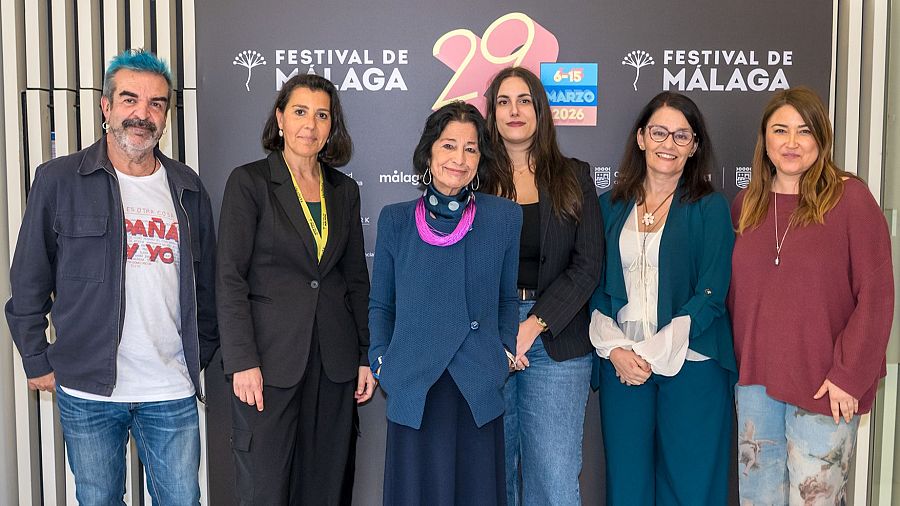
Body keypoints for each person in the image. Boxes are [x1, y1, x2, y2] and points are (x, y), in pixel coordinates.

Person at [5, 49, 218, 504]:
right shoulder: (59, 179)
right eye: (130, 99)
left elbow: (207, 285)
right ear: (106, 107)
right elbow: (28, 279)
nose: (143, 113)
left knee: (182, 499)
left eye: (156, 103)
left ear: (167, 115)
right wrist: (35, 357)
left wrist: (202, 349)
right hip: (88, 388)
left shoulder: (187, 187)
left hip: (171, 386)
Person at [729, 87, 893, 505]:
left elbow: (877, 292)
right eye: (780, 130)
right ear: (764, 139)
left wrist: (850, 374)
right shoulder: (745, 205)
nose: (791, 142)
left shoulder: (850, 198)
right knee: (758, 498)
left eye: (804, 131)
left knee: (814, 500)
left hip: (826, 386)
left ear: (821, 138)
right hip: (755, 386)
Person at [216, 74, 373, 505]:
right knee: (266, 487)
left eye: (322, 115)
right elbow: (229, 278)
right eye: (300, 112)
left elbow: (356, 279)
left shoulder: (344, 191)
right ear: (280, 119)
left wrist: (364, 354)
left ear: (331, 126)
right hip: (268, 364)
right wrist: (242, 360)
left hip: (335, 362)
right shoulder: (249, 183)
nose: (311, 124)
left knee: (326, 487)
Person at [369, 101, 520, 505]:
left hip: (476, 385)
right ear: (429, 153)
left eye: (471, 148)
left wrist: (503, 352)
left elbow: (507, 298)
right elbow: (381, 305)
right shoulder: (396, 220)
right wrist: (382, 360)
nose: (460, 158)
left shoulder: (504, 218)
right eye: (449, 145)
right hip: (415, 385)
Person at [589, 91, 736, 505]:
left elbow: (712, 291)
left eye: (681, 135)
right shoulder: (608, 207)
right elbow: (592, 283)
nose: (668, 144)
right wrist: (616, 348)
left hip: (692, 363)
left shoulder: (710, 208)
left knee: (690, 487)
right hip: (624, 366)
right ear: (641, 138)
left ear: (694, 147)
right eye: (659, 132)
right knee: (627, 485)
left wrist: (655, 351)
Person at [482, 66, 603, 506]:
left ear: (540, 110)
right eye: (502, 102)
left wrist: (533, 324)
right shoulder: (473, 181)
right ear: (492, 114)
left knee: (552, 480)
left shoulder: (574, 175)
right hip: (486, 340)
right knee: (491, 477)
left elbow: (588, 265)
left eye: (524, 100)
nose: (514, 111)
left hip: (557, 338)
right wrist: (496, 330)